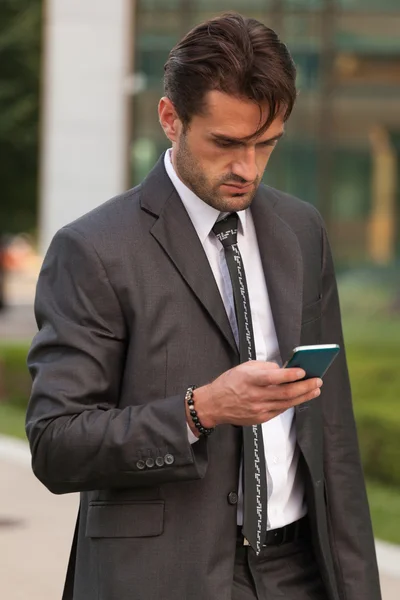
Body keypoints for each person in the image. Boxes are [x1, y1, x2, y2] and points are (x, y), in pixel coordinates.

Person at [26, 12, 381, 600]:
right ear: (171, 118)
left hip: (301, 573)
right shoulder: (94, 249)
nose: (248, 168)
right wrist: (199, 411)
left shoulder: (301, 229)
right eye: (226, 143)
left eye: (266, 144)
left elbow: (332, 437)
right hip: (164, 577)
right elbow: (56, 444)